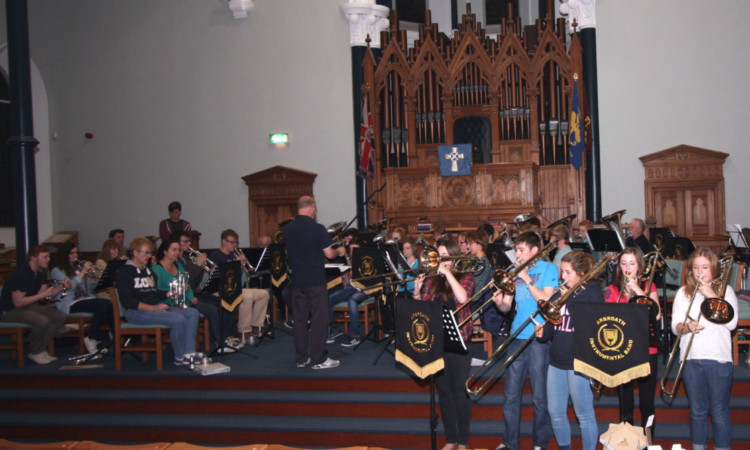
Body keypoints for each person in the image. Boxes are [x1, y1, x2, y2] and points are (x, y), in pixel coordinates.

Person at [491, 231, 556, 450]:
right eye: (516, 250)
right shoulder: (513, 271)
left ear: (534, 251)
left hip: (538, 337)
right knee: (510, 396)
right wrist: (500, 302)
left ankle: (539, 443)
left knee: (539, 397)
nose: (516, 254)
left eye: (521, 250)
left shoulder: (549, 269)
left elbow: (547, 302)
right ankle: (510, 443)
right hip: (516, 336)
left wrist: (527, 278)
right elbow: (507, 307)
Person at [671, 247, 738, 450]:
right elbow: (676, 326)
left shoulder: (726, 292)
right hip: (691, 358)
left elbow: (732, 324)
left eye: (705, 267)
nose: (700, 272)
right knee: (697, 411)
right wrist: (687, 326)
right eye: (696, 267)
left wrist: (711, 295)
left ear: (714, 269)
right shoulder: (683, 293)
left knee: (719, 412)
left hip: (718, 358)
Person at [536, 251, 602, 450]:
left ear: (581, 273)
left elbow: (589, 324)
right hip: (557, 359)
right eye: (561, 272)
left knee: (584, 414)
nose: (562, 277)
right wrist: (543, 332)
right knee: (555, 411)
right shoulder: (560, 291)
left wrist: (569, 298)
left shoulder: (593, 292)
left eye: (567, 272)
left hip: (580, 360)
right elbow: (552, 323)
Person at [413, 239, 475, 450]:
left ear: (454, 257)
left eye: (444, 256)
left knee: (460, 392)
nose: (439, 260)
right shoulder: (432, 281)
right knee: (445, 392)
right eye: (438, 256)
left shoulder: (466, 277)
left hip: (460, 342)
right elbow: (424, 309)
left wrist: (448, 273)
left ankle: (464, 441)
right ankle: (451, 439)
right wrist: (417, 292)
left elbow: (463, 298)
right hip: (438, 342)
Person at [284, 195, 346, 370]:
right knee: (319, 320)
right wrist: (339, 250)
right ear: (312, 207)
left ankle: (301, 358)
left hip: (297, 282)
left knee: (300, 320)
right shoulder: (317, 228)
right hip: (315, 281)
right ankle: (318, 359)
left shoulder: (287, 230)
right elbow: (328, 254)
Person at [116, 237, 199, 366]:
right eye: (145, 253)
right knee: (177, 319)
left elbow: (154, 292)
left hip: (154, 307)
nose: (148, 256)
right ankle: (180, 357)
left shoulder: (147, 270)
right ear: (135, 253)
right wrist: (154, 308)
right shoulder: (125, 272)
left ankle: (189, 353)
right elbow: (128, 301)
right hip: (136, 312)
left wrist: (169, 293)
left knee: (192, 313)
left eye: (150, 253)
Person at [605, 247, 661, 431]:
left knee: (647, 401)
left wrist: (636, 288)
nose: (627, 267)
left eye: (632, 263)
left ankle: (650, 439)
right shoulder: (613, 289)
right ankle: (628, 439)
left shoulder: (649, 286)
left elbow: (657, 314)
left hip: (646, 348)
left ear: (639, 266)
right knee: (625, 400)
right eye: (623, 263)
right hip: (624, 348)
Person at [152, 237, 234, 353]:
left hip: (185, 300)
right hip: (169, 303)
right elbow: (157, 291)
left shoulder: (177, 266)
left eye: (178, 250)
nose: (177, 252)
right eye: (174, 250)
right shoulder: (156, 269)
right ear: (165, 251)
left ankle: (223, 338)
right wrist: (174, 293)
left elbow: (187, 284)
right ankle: (219, 341)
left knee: (219, 304)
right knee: (211, 309)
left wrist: (191, 296)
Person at [0, 245, 67, 365]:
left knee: (59, 316)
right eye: (45, 257)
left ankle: (40, 349)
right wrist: (42, 295)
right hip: (10, 310)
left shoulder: (41, 272)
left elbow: (44, 294)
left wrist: (60, 289)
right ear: (33, 258)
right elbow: (18, 302)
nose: (48, 259)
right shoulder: (20, 274)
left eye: (49, 257)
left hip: (28, 306)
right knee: (42, 321)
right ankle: (36, 351)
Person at [208, 229, 271, 346]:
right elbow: (218, 277)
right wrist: (234, 265)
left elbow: (237, 276)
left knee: (263, 294)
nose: (235, 245)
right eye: (232, 242)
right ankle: (244, 331)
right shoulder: (215, 255)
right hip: (220, 290)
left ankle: (256, 326)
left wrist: (241, 267)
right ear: (223, 241)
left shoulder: (233, 254)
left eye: (236, 242)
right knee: (246, 297)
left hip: (234, 288)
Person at [51, 243, 115, 354]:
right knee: (102, 305)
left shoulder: (77, 268)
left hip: (83, 299)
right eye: (72, 253)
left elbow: (87, 290)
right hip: (68, 302)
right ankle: (93, 338)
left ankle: (112, 336)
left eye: (76, 252)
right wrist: (82, 272)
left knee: (108, 303)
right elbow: (69, 288)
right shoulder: (57, 270)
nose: (75, 255)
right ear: (64, 255)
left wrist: (89, 279)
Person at [327, 238, 369, 347]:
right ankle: (329, 331)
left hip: (365, 289)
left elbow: (369, 282)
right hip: (351, 289)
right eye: (350, 249)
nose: (351, 252)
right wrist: (346, 271)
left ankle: (353, 335)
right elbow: (347, 284)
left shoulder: (367, 260)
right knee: (329, 299)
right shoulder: (348, 260)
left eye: (354, 249)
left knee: (352, 299)